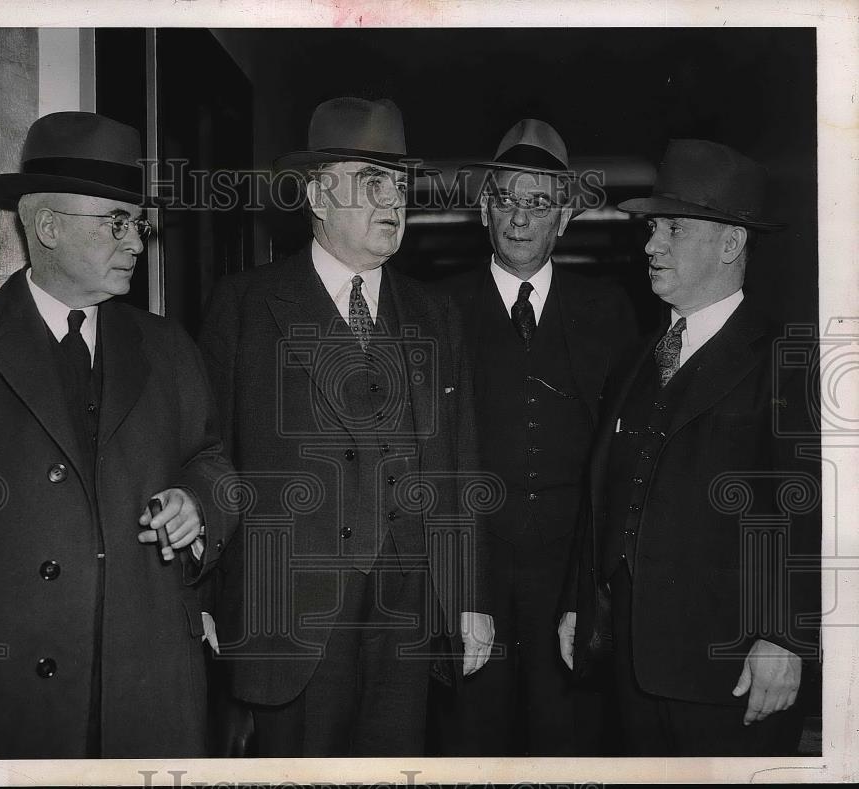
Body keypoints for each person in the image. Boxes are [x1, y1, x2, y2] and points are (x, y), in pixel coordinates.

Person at [0, 112, 237, 758]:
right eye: (117, 223)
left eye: (139, 223)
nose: (137, 241)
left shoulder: (170, 347)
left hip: (149, 691)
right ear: (47, 227)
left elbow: (213, 462)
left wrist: (198, 504)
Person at [198, 97, 494, 756]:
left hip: (409, 608)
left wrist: (468, 595)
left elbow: (458, 461)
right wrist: (207, 595)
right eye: (372, 181)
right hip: (292, 611)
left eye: (400, 183)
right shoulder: (244, 306)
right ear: (317, 195)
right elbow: (209, 456)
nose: (395, 200)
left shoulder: (436, 312)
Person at [558, 139, 821, 755]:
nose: (651, 246)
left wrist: (786, 638)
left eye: (673, 229)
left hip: (732, 672)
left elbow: (812, 512)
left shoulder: (788, 358)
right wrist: (581, 604)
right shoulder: (634, 359)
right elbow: (601, 492)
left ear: (731, 244)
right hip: (628, 666)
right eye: (653, 230)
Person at [430, 119, 637, 755]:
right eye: (508, 200)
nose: (521, 219)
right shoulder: (436, 309)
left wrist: (588, 594)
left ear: (566, 217)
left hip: (568, 585)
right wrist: (460, 593)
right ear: (484, 209)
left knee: (566, 745)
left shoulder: (611, 312)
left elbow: (620, 468)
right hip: (472, 577)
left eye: (540, 203)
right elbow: (426, 465)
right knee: (469, 746)